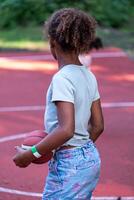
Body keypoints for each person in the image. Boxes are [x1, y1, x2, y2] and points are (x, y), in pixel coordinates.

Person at [13, 8, 104, 199]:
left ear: (52, 42)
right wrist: (81, 152)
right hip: (90, 158)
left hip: (69, 163)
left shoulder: (62, 78)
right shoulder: (88, 75)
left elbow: (66, 130)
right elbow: (98, 126)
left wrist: (32, 154)